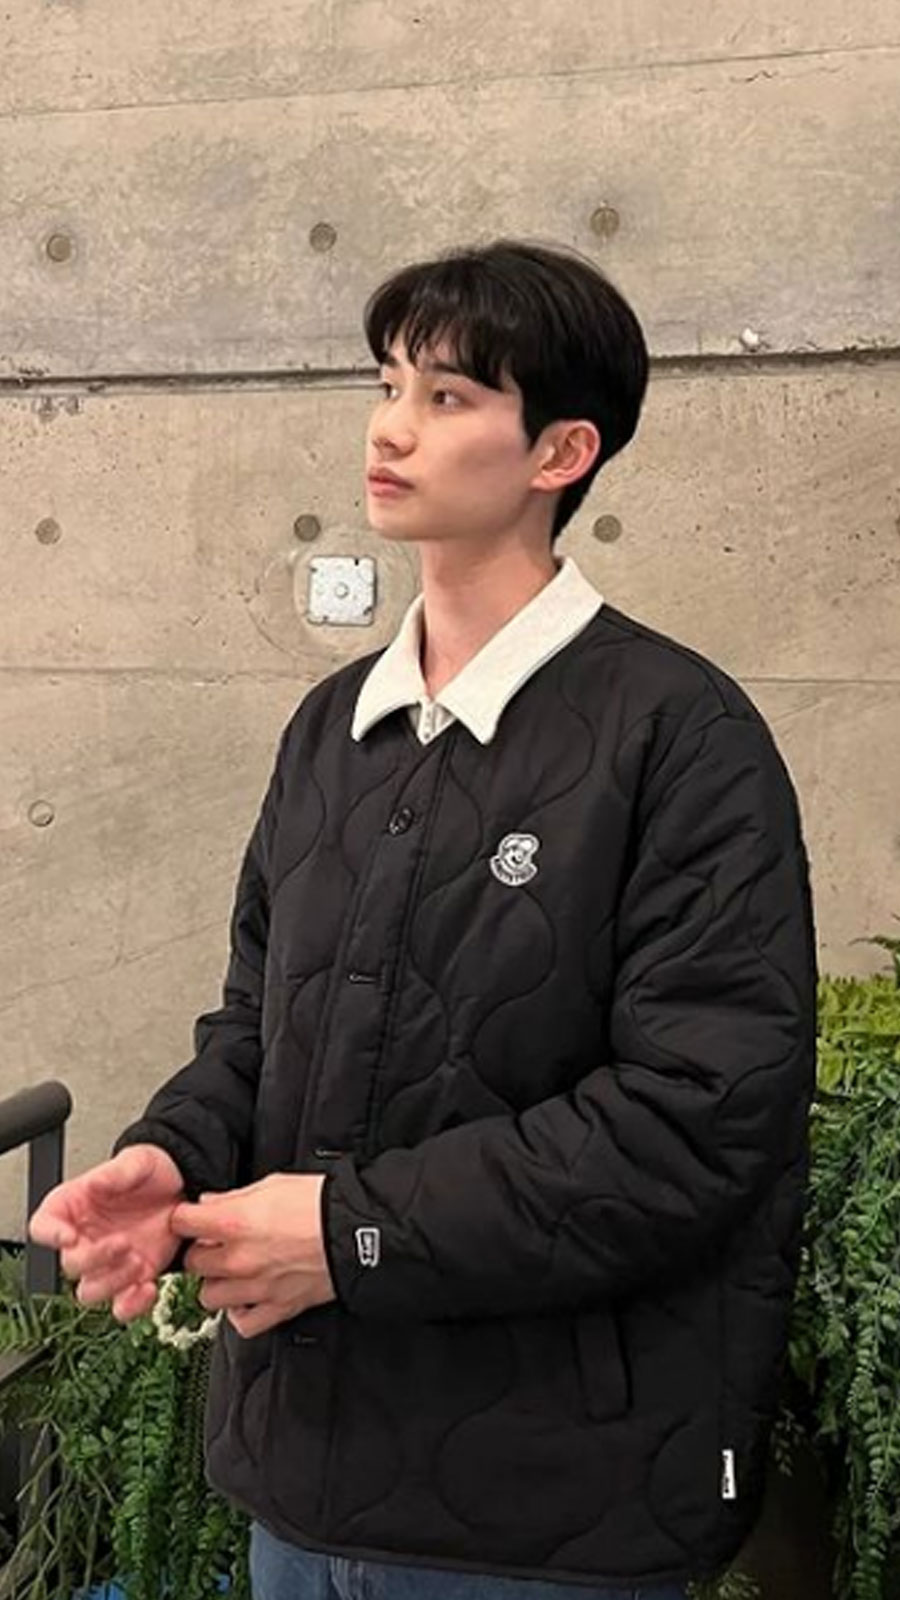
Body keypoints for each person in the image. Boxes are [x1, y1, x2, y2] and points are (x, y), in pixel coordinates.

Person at [29, 238, 818, 1600]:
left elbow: (698, 1120)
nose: (391, 427)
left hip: (554, 1510)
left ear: (561, 451)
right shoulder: (332, 727)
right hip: (303, 1483)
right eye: (389, 384)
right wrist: (173, 1154)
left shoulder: (679, 735)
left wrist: (352, 1232)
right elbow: (257, 1024)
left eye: (449, 397)